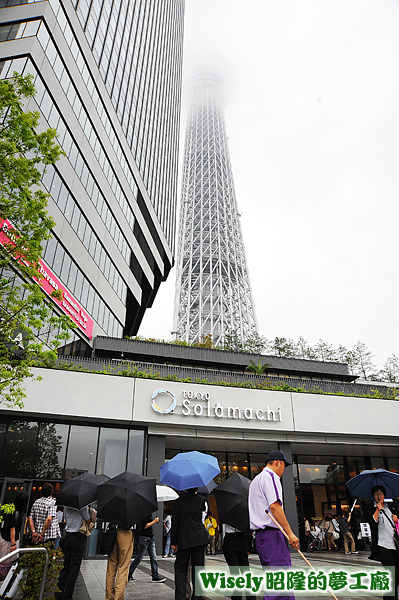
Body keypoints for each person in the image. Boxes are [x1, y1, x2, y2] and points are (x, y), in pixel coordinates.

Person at [249, 450, 299, 600]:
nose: (283, 470)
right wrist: (290, 533)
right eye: (284, 466)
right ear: (278, 463)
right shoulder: (271, 477)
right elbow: (275, 507)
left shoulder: (256, 480)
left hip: (262, 536)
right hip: (272, 535)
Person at [171, 488, 209, 600]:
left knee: (181, 568)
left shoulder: (178, 502)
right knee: (198, 569)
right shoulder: (202, 500)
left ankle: (181, 596)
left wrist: (174, 542)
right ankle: (197, 597)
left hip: (184, 538)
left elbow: (175, 522)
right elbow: (203, 518)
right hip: (199, 538)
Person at [369, 484, 399, 600]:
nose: (379, 496)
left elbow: (394, 524)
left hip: (394, 545)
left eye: (381, 494)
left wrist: (396, 519)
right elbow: (372, 523)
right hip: (382, 546)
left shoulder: (389, 507)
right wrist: (377, 509)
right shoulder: (371, 508)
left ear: (384, 495)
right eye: (376, 494)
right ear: (373, 496)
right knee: (393, 575)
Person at [55, 505, 91, 600]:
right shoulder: (82, 506)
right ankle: (67, 595)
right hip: (78, 536)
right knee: (74, 567)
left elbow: (65, 520)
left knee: (66, 565)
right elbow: (88, 520)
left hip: (68, 536)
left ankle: (59, 591)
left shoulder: (66, 506)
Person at [128, 514, 166, 582]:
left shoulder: (148, 514)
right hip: (145, 539)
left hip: (151, 538)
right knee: (139, 558)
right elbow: (144, 526)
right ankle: (129, 574)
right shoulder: (144, 515)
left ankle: (155, 576)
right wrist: (154, 521)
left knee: (153, 558)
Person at [0, 492, 28, 580]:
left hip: (3, 538)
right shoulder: (17, 513)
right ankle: (4, 579)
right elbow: (12, 529)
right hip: (9, 541)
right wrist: (13, 544)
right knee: (7, 561)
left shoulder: (9, 510)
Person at [28, 482, 60, 547]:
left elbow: (30, 517)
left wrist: (33, 531)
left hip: (37, 533)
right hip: (49, 535)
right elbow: (49, 519)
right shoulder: (52, 502)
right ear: (52, 491)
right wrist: (42, 534)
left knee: (37, 554)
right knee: (47, 554)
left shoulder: (36, 502)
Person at [106, 527, 134, 600]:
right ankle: (118, 598)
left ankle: (109, 597)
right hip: (125, 532)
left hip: (113, 532)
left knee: (111, 569)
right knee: (123, 568)